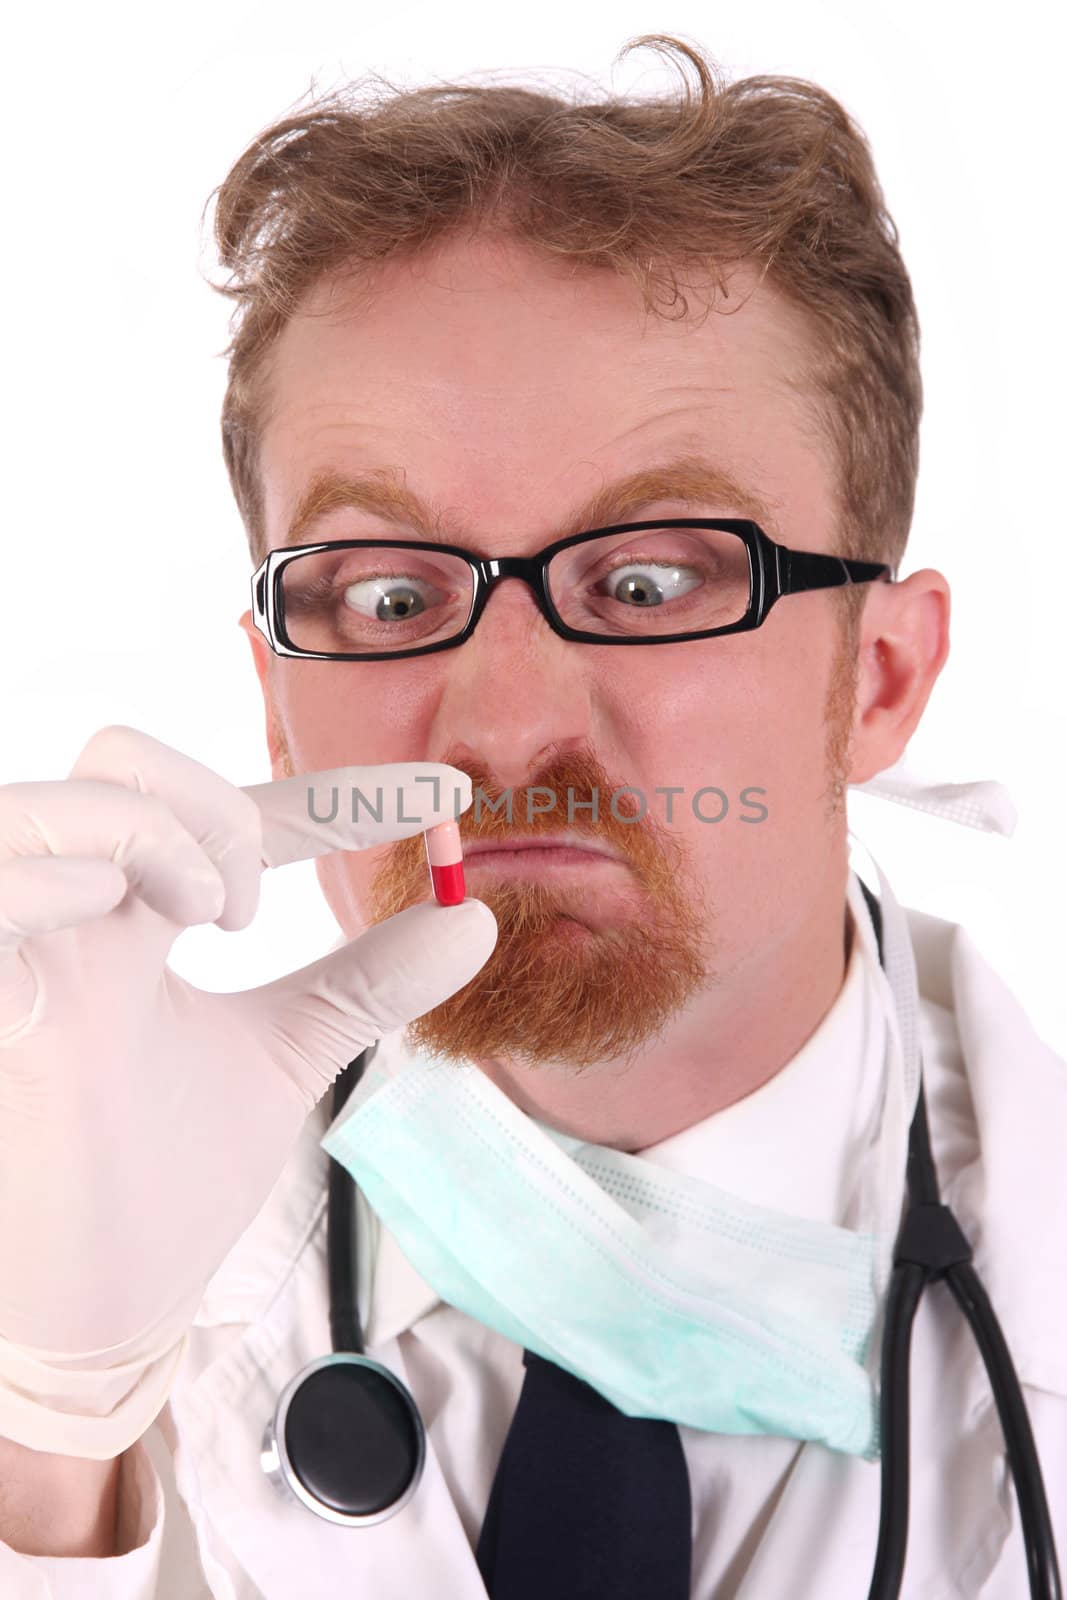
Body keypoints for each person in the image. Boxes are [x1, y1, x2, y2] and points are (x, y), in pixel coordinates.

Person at [0, 31, 1063, 1599]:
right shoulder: (72, 1260)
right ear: (274, 695)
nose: (503, 723)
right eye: (385, 592)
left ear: (882, 677)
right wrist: (54, 1432)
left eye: (646, 581)